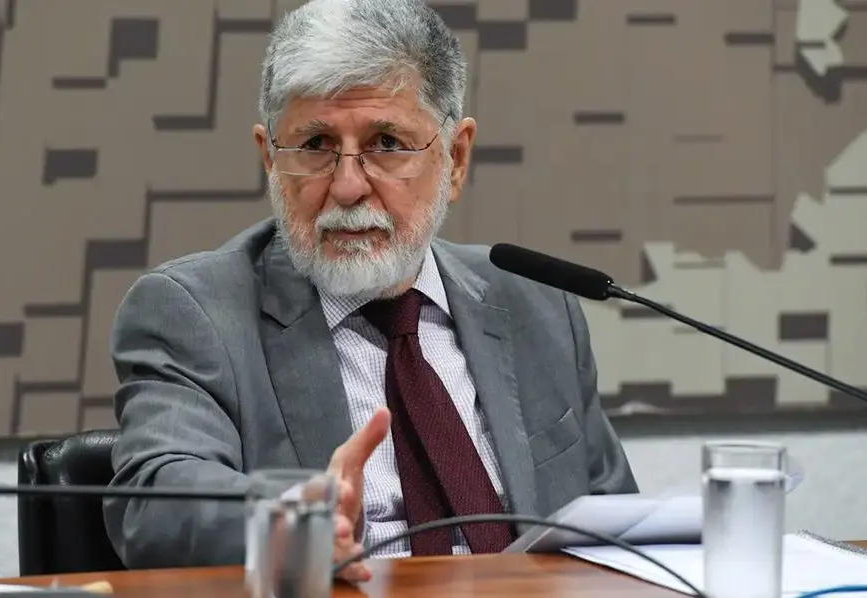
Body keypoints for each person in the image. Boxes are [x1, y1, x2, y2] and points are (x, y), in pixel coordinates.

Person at [102, 0, 638, 584]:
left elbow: (618, 527)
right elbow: (155, 501)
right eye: (315, 144)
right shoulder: (196, 313)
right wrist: (292, 519)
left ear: (456, 159)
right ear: (270, 159)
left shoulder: (535, 303)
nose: (348, 186)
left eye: (386, 142)